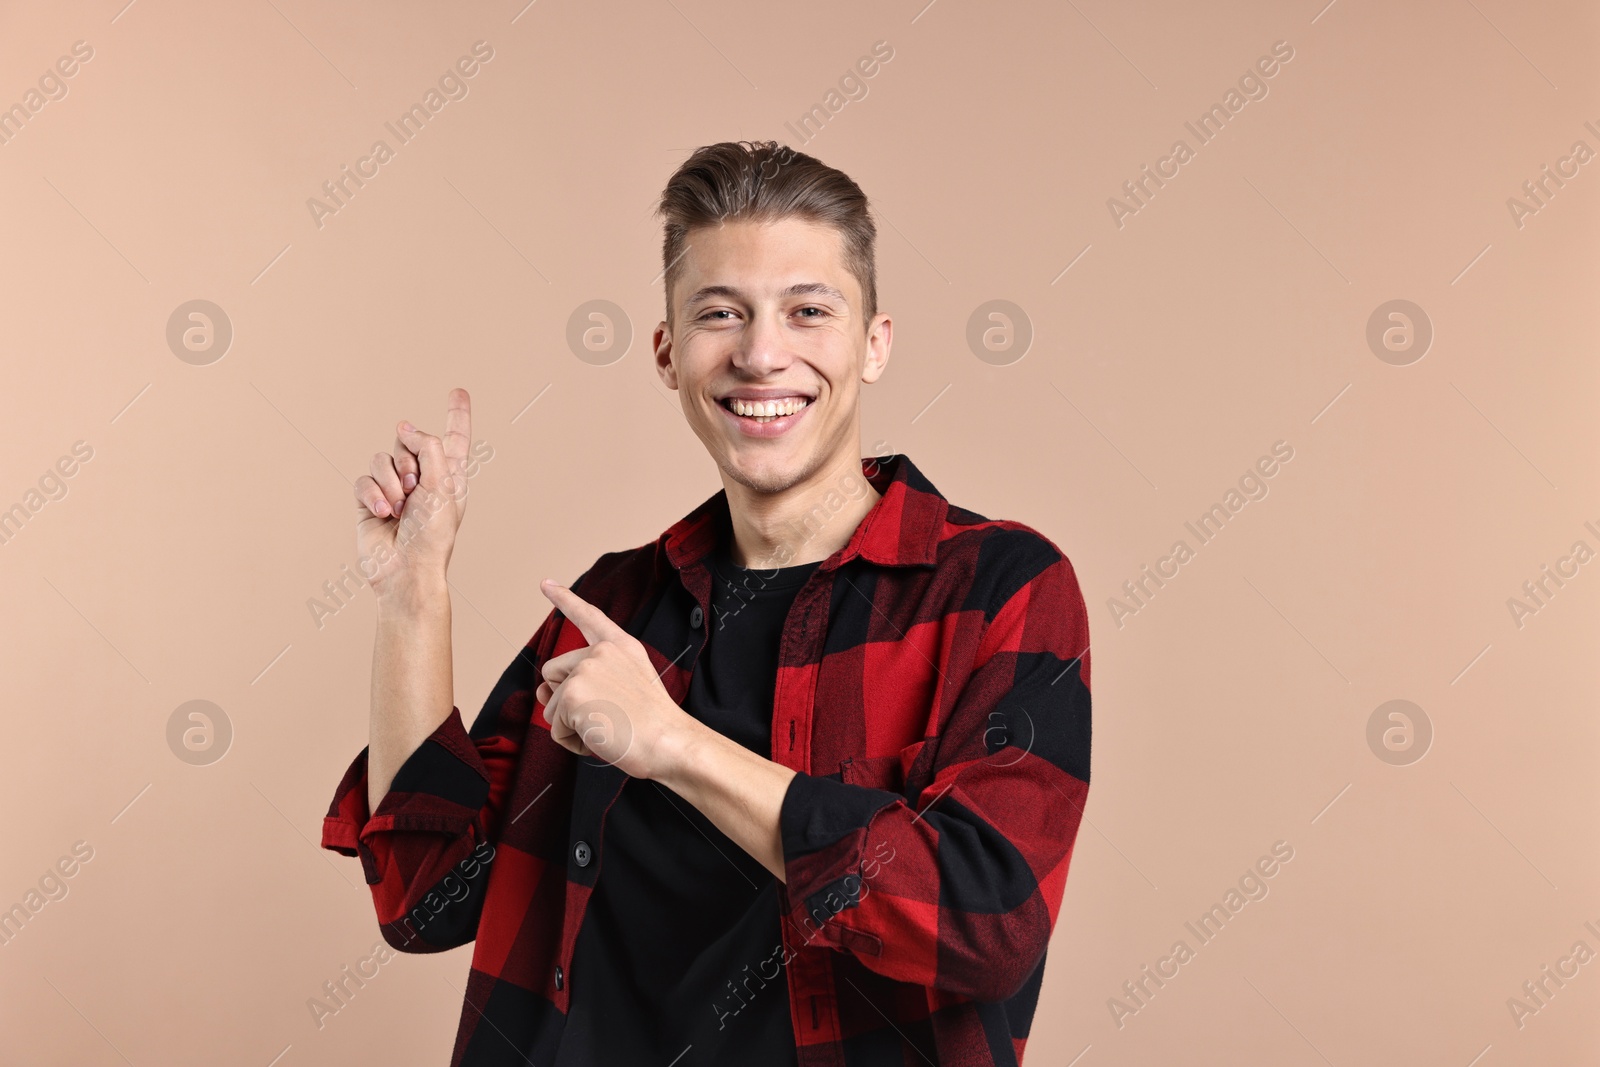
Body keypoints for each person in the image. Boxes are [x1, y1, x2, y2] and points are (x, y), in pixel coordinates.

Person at [321, 139, 1092, 1066]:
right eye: (720, 313)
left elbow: (986, 923)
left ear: (874, 343)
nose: (763, 354)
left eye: (810, 311)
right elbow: (426, 896)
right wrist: (414, 598)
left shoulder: (998, 587)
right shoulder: (612, 603)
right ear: (667, 351)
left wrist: (674, 744)